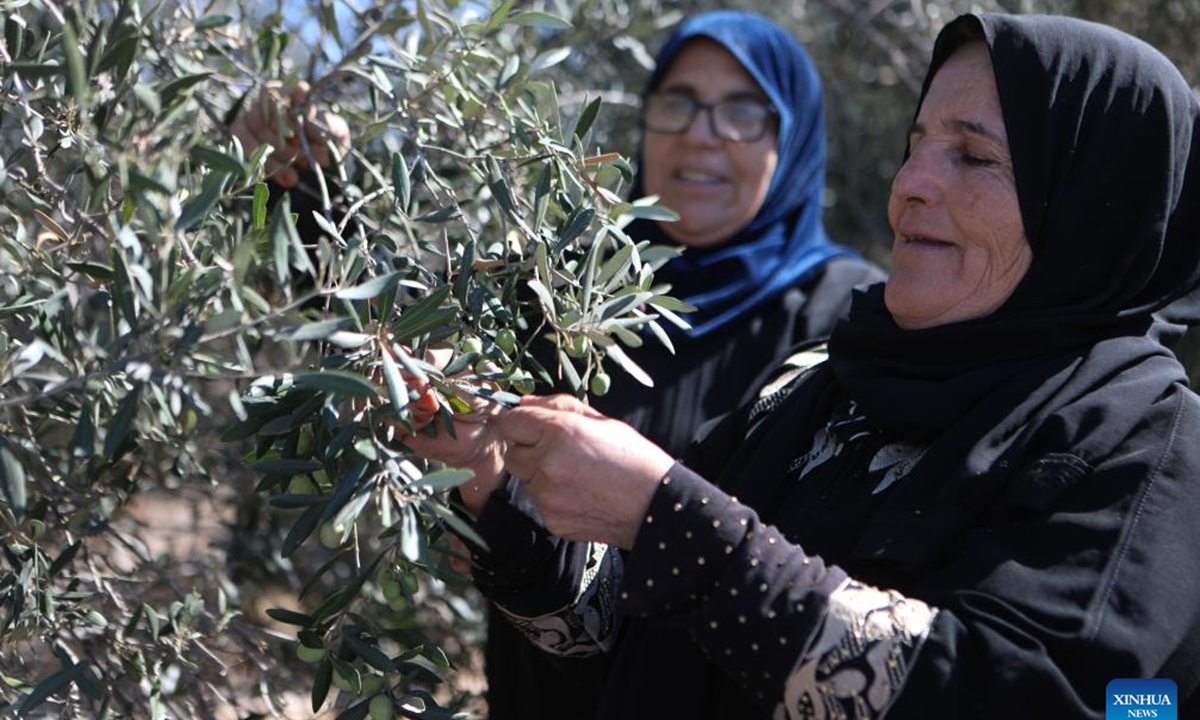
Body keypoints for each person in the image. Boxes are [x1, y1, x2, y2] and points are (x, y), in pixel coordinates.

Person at [404, 12, 1200, 718]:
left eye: (976, 157)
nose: (912, 184)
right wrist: (496, 490)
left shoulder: (1139, 440)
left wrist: (671, 520)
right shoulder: (826, 377)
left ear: (1096, 200)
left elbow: (1030, 694)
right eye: (917, 144)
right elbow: (633, 633)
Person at [482, 11, 883, 719]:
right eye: (678, 102)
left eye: (742, 110)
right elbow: (386, 332)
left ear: (790, 141)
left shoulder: (847, 319)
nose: (701, 133)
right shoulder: (560, 287)